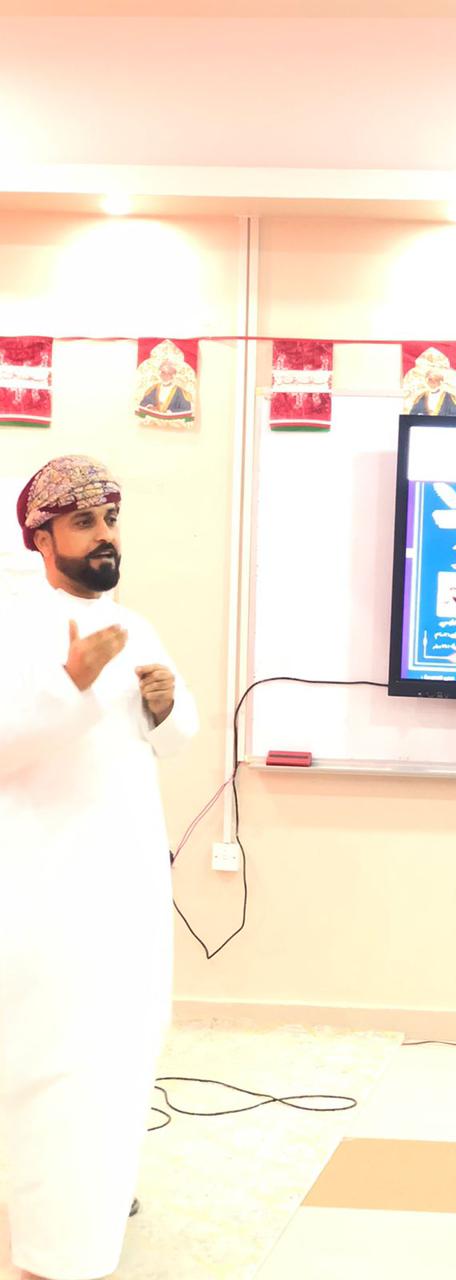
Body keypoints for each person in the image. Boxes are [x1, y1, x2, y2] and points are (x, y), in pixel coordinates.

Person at [0, 456, 198, 1280]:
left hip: (129, 886)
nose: (105, 535)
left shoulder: (135, 624)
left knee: (121, 1056)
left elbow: (176, 734)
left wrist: (167, 708)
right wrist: (68, 686)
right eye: (83, 522)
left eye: (110, 518)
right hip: (47, 892)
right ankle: (54, 1254)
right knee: (59, 1067)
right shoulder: (16, 624)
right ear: (41, 538)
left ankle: (91, 1207)